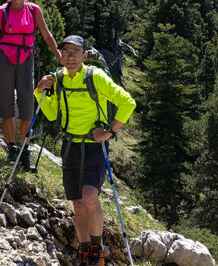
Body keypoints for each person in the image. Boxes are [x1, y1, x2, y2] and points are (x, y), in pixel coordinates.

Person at [35, 35, 136, 266]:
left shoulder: (95, 77)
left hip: (94, 147)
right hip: (70, 146)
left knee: (90, 195)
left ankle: (97, 251)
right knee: (78, 205)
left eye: (75, 52)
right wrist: (40, 91)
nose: (70, 56)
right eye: (66, 52)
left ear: (85, 55)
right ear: (60, 55)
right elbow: (51, 114)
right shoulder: (58, 80)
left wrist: (109, 131)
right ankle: (84, 255)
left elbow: (128, 102)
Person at [0, 0, 58, 170]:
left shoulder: (34, 11)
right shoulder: (1, 12)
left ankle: (24, 150)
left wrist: (60, 57)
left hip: (26, 58)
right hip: (5, 58)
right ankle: (12, 148)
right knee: (6, 105)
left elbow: (47, 36)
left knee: (26, 108)